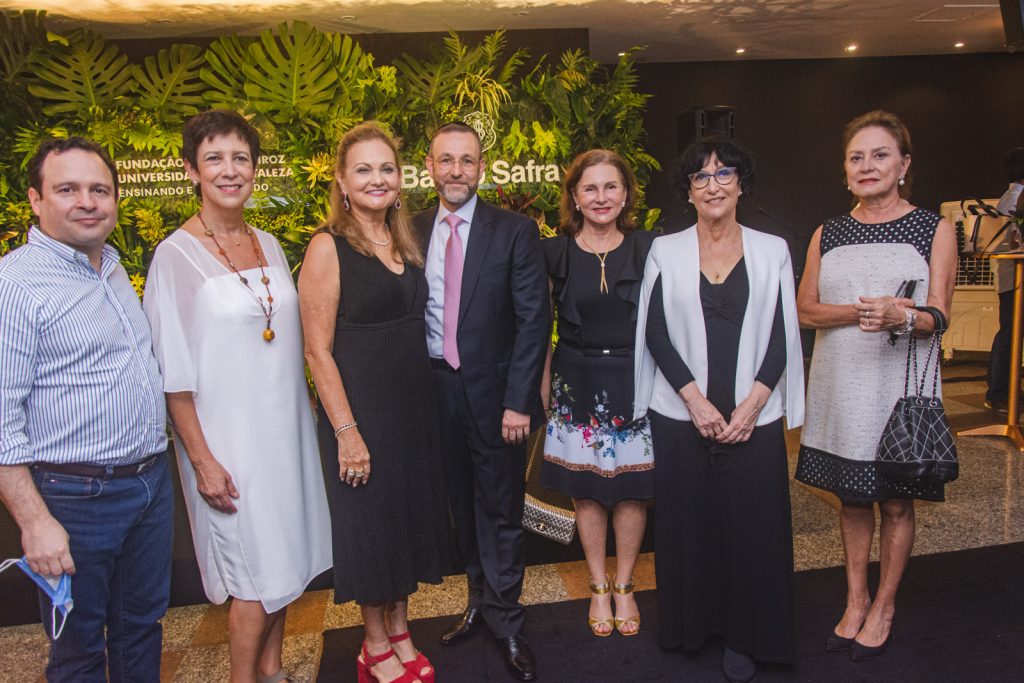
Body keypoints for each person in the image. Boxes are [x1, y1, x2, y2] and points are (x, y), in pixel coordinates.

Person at [142, 110, 331, 683]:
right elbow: (173, 376)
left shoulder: (267, 242)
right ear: (191, 170)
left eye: (240, 158)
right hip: (229, 446)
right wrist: (203, 460)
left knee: (285, 564)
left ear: (254, 168)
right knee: (253, 577)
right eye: (214, 159)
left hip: (286, 435)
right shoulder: (174, 256)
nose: (229, 170)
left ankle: (272, 670)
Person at [0, 137, 172, 682]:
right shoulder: (14, 286)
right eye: (67, 189)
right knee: (78, 650)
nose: (87, 202)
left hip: (148, 483)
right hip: (75, 497)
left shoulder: (112, 268)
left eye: (99, 189)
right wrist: (35, 523)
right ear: (36, 199)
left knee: (141, 627)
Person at [634, 136, 804, 683]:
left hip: (753, 415)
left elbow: (782, 334)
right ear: (688, 191)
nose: (713, 185)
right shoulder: (666, 250)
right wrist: (695, 400)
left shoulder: (772, 249)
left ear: (741, 184)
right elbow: (655, 332)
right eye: (701, 176)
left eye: (724, 173)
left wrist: (753, 404)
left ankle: (747, 637)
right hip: (683, 414)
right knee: (689, 525)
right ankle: (692, 627)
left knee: (753, 527)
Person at [795, 110, 957, 661]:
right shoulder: (828, 232)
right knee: (851, 498)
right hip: (840, 387)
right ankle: (855, 597)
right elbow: (806, 311)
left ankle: (884, 604)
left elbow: (938, 315)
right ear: (845, 170)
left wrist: (902, 317)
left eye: (880, 155)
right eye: (856, 157)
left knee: (895, 503)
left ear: (904, 165)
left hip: (897, 392)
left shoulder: (933, 229)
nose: (867, 166)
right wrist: (862, 312)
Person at [299, 121, 449, 683]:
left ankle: (402, 631)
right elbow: (316, 350)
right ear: (341, 180)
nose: (377, 178)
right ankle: (375, 643)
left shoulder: (403, 239)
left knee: (405, 523)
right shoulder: (327, 247)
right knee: (372, 528)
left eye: (386, 168)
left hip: (413, 409)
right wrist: (347, 431)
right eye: (363, 169)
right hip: (361, 414)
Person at [413, 122, 549, 682]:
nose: (456, 171)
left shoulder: (514, 231)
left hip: (496, 400)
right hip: (433, 392)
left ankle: (508, 620)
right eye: (446, 160)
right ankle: (477, 602)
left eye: (466, 161)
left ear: (481, 169)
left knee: (501, 510)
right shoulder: (408, 229)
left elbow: (533, 319)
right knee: (460, 507)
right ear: (429, 166)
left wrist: (519, 402)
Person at [539, 149, 655, 638]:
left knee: (632, 490)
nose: (601, 197)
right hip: (576, 382)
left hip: (636, 380)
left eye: (611, 186)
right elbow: (539, 326)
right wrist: (544, 385)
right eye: (590, 187)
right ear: (574, 196)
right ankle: (597, 586)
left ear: (626, 194)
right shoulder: (554, 253)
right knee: (586, 491)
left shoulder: (650, 248)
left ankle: (625, 584)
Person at [985, 147, 1024, 412]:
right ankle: (999, 392)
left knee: (1012, 334)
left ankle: (1008, 389)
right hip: (1013, 279)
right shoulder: (1014, 198)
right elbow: (1012, 240)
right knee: (1009, 334)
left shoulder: (1012, 196)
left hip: (1012, 279)